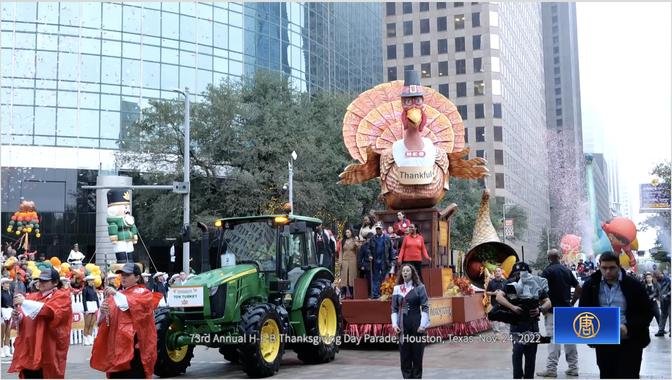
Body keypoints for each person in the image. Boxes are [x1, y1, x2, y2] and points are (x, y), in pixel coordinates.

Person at [579, 251, 654, 378]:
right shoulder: (591, 285)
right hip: (604, 341)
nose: (608, 271)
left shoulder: (633, 285)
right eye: (604, 268)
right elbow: (583, 311)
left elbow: (647, 313)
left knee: (628, 375)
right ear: (599, 266)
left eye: (612, 268)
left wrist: (628, 327)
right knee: (607, 375)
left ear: (619, 266)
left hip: (630, 341)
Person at [91, 263, 158, 378]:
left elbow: (129, 304)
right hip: (117, 347)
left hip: (135, 348)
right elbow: (102, 321)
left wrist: (115, 294)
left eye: (127, 275)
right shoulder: (118, 295)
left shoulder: (144, 293)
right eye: (122, 275)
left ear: (137, 277)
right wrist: (102, 311)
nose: (123, 277)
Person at [8, 268, 73, 378]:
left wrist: (25, 302)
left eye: (45, 280)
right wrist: (17, 316)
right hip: (30, 346)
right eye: (40, 280)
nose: (41, 283)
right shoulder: (32, 296)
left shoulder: (62, 296)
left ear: (55, 282)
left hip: (47, 346)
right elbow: (23, 317)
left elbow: (50, 312)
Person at [495, 262, 551, 379]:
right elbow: (498, 297)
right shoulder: (510, 283)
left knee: (530, 357)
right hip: (517, 326)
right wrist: (512, 307)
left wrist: (540, 309)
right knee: (517, 353)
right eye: (518, 274)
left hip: (532, 325)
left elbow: (548, 302)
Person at [537, 249, 580, 377]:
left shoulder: (547, 271)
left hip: (552, 311)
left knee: (554, 340)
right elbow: (579, 288)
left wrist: (542, 307)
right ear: (559, 257)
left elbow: (540, 291)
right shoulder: (567, 271)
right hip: (567, 310)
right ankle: (573, 368)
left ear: (548, 258)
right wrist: (572, 303)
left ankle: (551, 369)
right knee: (570, 339)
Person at [391, 264, 430, 379]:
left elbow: (425, 307)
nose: (405, 273)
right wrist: (394, 324)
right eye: (403, 271)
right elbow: (394, 308)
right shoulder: (397, 289)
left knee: (417, 357)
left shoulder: (420, 288)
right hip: (403, 327)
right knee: (405, 357)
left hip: (417, 326)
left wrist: (423, 325)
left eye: (407, 271)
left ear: (412, 273)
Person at [368, 223, 393, 299]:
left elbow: (390, 250)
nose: (378, 230)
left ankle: (382, 293)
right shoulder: (373, 238)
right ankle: (375, 294)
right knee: (375, 277)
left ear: (382, 229)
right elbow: (368, 249)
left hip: (384, 260)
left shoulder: (387, 238)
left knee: (383, 277)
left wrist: (392, 260)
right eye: (377, 229)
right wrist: (370, 255)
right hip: (375, 260)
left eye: (379, 229)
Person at [486, 267, 508, 334]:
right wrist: (493, 293)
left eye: (499, 271)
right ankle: (496, 332)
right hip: (494, 303)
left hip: (504, 303)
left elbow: (509, 292)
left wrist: (503, 293)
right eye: (496, 271)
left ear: (501, 272)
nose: (497, 272)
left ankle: (507, 333)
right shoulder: (491, 282)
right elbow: (487, 292)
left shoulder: (505, 282)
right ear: (494, 273)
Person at [339, 228, 360, 299]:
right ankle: (343, 294)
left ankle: (352, 294)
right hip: (344, 260)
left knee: (351, 277)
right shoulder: (342, 241)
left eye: (348, 232)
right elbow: (341, 251)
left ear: (351, 233)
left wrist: (357, 243)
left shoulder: (354, 240)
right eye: (346, 232)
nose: (347, 234)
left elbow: (358, 249)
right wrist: (340, 261)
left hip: (352, 261)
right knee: (344, 277)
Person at [82, 275, 100, 346]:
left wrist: (98, 307)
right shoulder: (85, 289)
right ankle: (85, 338)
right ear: (88, 281)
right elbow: (84, 299)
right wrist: (86, 309)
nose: (92, 281)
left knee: (92, 324)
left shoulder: (94, 289)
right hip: (88, 306)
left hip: (94, 306)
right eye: (91, 280)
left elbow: (96, 298)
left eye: (93, 280)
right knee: (87, 324)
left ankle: (90, 337)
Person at [655, 271, 670, 336]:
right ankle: (661, 331)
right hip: (662, 302)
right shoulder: (657, 282)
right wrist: (653, 296)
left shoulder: (668, 280)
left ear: (661, 274)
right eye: (656, 276)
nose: (657, 277)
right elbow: (656, 291)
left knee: (670, 316)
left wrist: (667, 294)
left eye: (658, 275)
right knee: (662, 316)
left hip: (669, 301)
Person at [1, 277, 13, 358]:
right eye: (6, 283)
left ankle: (7, 350)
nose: (8, 284)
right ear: (2, 284)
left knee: (8, 332)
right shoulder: (0, 293)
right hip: (2, 312)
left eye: (8, 283)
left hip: (9, 312)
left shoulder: (10, 293)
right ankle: (1, 350)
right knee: (1, 333)